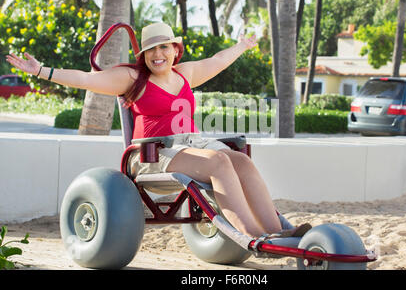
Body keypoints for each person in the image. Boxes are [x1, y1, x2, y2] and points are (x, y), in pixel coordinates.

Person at [6, 22, 310, 239]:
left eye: (164, 47)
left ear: (174, 49)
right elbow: (85, 79)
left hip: (190, 146)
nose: (157, 54)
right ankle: (254, 236)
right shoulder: (130, 78)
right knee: (219, 161)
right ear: (144, 55)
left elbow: (218, 60)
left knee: (240, 160)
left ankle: (280, 231)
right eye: (151, 49)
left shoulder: (185, 73)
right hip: (154, 155)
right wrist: (42, 71)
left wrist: (243, 45)